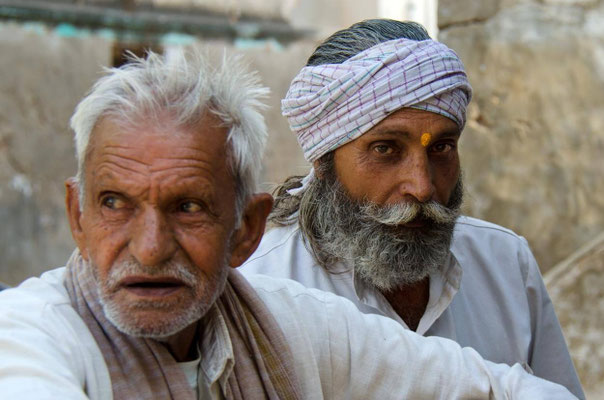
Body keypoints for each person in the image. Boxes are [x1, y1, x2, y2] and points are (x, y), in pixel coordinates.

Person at [0, 50, 575, 400]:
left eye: (189, 208)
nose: (150, 250)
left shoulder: (285, 324)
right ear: (76, 215)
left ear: (244, 230)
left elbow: (494, 386)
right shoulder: (34, 336)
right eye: (114, 204)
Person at [240, 19, 584, 399]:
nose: (422, 187)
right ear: (323, 161)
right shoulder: (260, 287)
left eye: (440, 148)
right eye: (385, 149)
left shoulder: (506, 263)